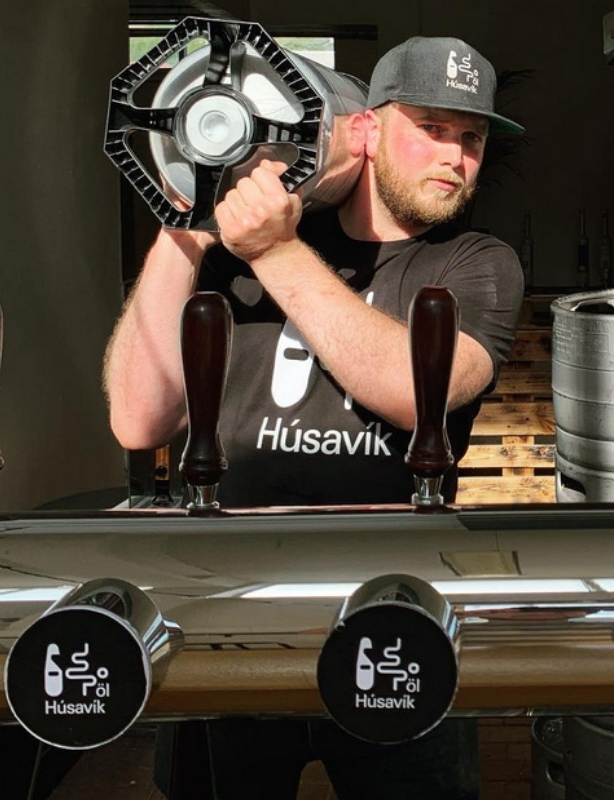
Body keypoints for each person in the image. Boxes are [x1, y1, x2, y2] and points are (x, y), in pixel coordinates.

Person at [102, 35, 526, 800]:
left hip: (396, 619)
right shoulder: (233, 250)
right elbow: (138, 421)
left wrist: (272, 249)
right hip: (233, 614)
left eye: (472, 137)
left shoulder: (474, 262)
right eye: (431, 127)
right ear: (365, 127)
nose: (456, 156)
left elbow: (414, 388)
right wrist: (189, 221)